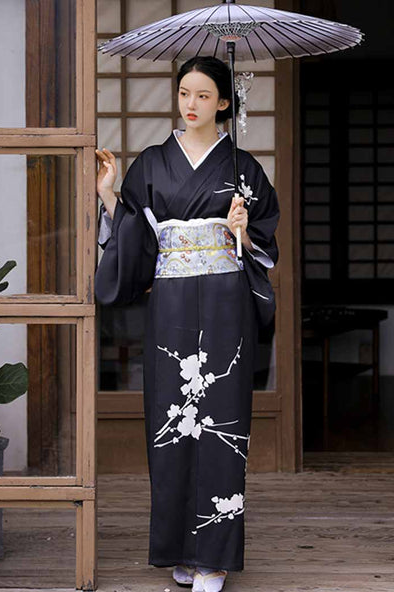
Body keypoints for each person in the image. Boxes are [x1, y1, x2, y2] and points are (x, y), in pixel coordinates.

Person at [95, 56, 280, 592]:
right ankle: (179, 547)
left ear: (223, 102)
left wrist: (242, 231)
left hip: (225, 300)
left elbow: (265, 246)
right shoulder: (152, 162)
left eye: (203, 95)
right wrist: (109, 192)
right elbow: (135, 235)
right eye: (183, 93)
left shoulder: (245, 169)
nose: (191, 104)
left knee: (222, 419)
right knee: (171, 418)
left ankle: (215, 558)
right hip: (171, 302)